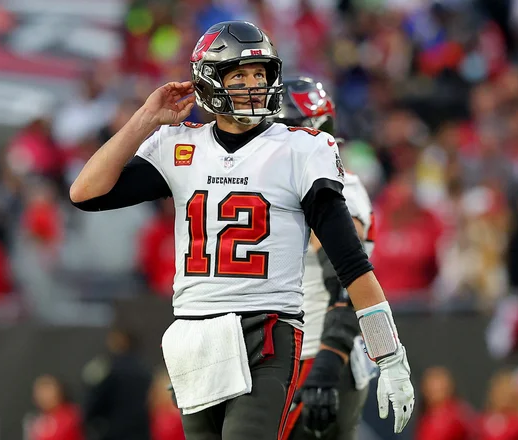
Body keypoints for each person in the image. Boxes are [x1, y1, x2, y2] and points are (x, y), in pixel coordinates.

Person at [70, 20, 414, 440]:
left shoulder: (300, 149)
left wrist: (389, 355)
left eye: (259, 74)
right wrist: (145, 118)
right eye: (239, 75)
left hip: (264, 328)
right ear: (211, 81)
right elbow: (85, 192)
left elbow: (353, 266)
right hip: (193, 334)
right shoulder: (180, 145)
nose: (254, 84)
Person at [271, 77, 378, 440]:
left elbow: (347, 282)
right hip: (290, 353)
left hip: (319, 353)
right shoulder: (280, 186)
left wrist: (328, 360)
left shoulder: (335, 188)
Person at [82, 327, 153, 440]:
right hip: (141, 431)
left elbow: (96, 400)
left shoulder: (110, 370)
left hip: (114, 431)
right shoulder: (145, 371)